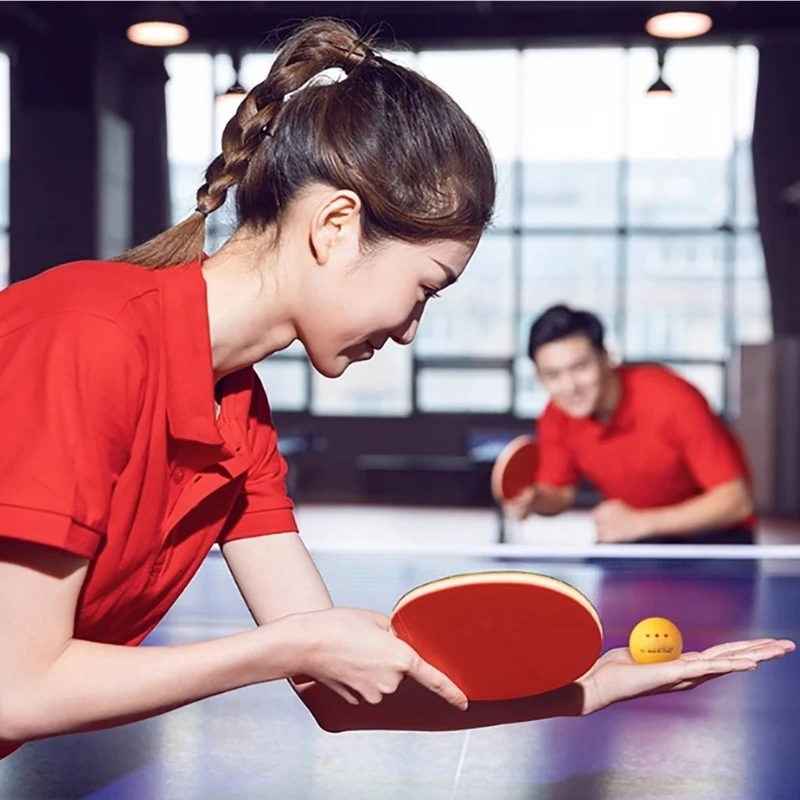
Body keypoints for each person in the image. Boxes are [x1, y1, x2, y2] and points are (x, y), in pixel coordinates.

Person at [0, 20, 791, 761]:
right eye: (424, 287)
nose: (412, 329)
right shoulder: (86, 336)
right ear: (336, 226)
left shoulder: (238, 419)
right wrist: (287, 647)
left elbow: (343, 698)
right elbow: (14, 689)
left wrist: (589, 689)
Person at [507, 304, 757, 545]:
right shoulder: (556, 415)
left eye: (580, 367)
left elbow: (735, 502)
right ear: (540, 377)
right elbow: (559, 494)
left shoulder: (672, 400)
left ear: (606, 357)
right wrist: (534, 500)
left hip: (716, 537)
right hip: (641, 534)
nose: (570, 387)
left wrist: (640, 523)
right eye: (553, 375)